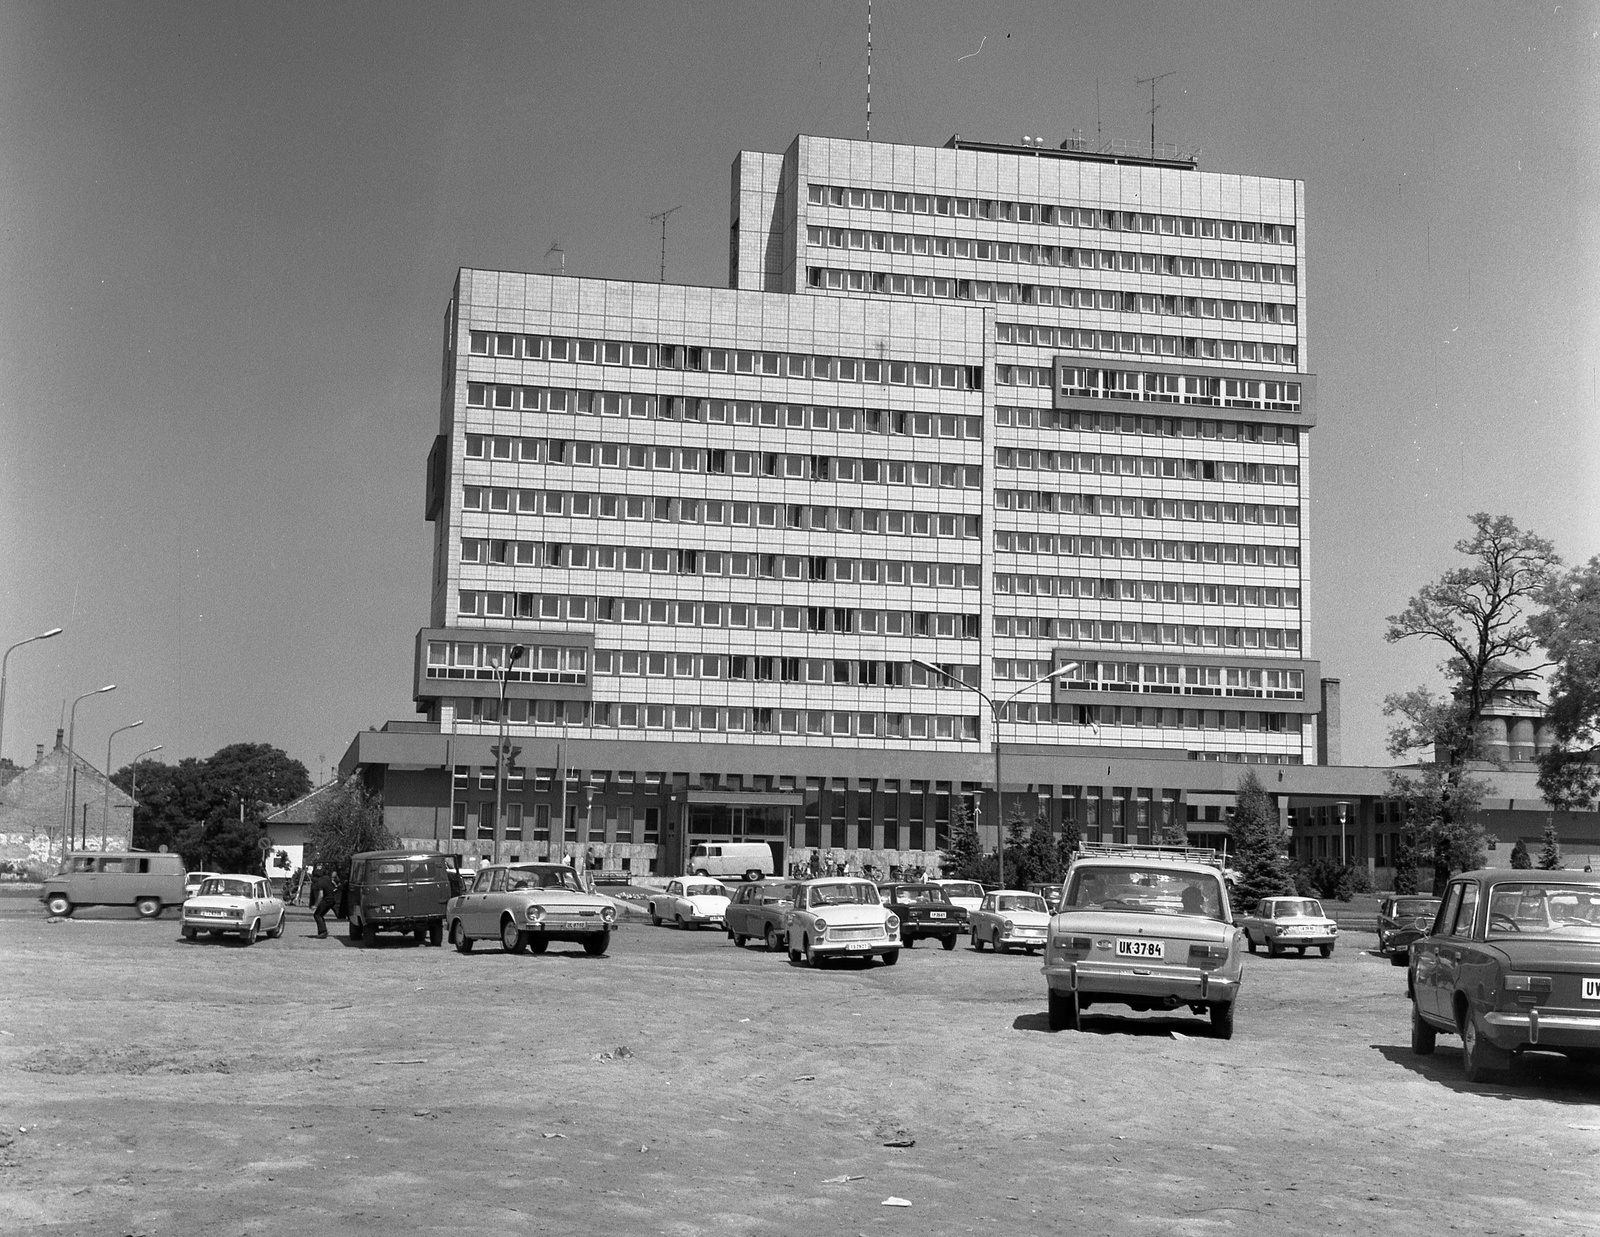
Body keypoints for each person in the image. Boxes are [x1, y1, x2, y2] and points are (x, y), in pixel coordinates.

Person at [310, 865, 340, 939]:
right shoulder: (327, 878)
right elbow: (334, 883)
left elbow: (321, 895)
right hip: (332, 899)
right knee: (320, 914)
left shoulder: (320, 882)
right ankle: (323, 931)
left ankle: (323, 932)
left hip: (327, 900)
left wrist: (316, 905)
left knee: (317, 915)